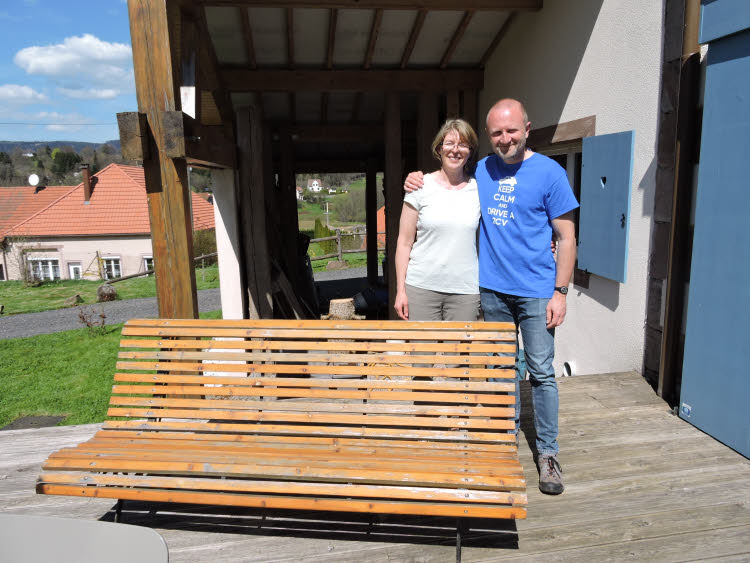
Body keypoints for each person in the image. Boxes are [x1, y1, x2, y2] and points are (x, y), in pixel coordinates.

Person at [404, 99, 578, 495]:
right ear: (488, 137)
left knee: (541, 372)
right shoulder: (481, 170)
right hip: (493, 290)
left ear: (527, 128)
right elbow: (445, 180)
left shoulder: (550, 173)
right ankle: (505, 435)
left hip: (536, 293)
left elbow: (566, 237)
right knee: (501, 370)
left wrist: (560, 291)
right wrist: (414, 178)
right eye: (497, 133)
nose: (505, 139)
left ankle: (547, 453)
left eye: (511, 131)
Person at [394, 118, 481, 322]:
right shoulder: (419, 186)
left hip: (465, 291)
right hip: (421, 287)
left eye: (463, 144)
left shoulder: (479, 190)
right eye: (449, 143)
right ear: (439, 148)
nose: (455, 150)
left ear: (470, 151)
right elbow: (404, 243)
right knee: (423, 353)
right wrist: (400, 290)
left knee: (460, 353)